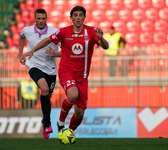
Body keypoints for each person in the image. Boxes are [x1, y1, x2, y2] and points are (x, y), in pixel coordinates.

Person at [21, 6, 109, 137]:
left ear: (84, 18)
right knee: (73, 95)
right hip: (66, 72)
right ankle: (60, 122)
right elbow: (47, 40)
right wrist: (33, 50)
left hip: (83, 76)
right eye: (75, 15)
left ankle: (68, 132)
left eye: (80, 15)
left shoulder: (91, 32)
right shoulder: (63, 32)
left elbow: (106, 47)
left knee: (79, 114)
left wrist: (101, 38)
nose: (78, 17)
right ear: (71, 18)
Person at [19, 8, 60, 139]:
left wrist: (55, 54)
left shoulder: (55, 32)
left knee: (47, 99)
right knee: (44, 88)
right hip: (34, 65)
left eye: (43, 18)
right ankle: (48, 124)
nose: (41, 21)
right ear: (35, 19)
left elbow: (65, 49)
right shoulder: (27, 30)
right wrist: (21, 54)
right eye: (38, 18)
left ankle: (44, 120)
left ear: (46, 18)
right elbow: (21, 37)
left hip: (51, 69)